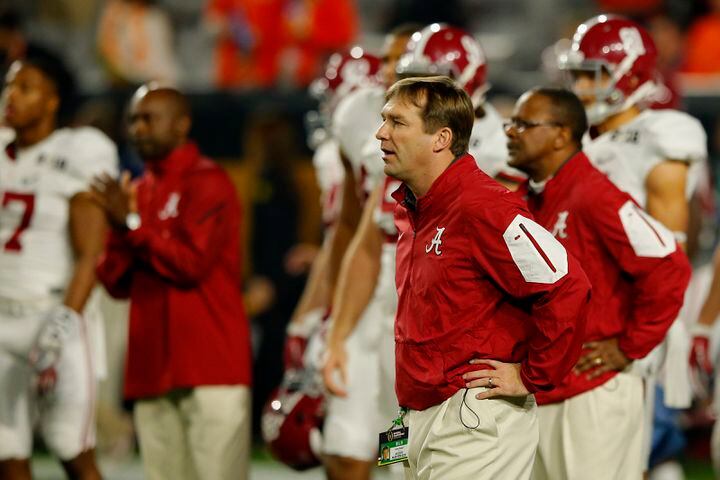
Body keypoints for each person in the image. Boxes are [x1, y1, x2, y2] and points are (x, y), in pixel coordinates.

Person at [320, 23, 522, 480]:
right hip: (392, 307)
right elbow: (366, 240)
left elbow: (540, 277)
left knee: (422, 448)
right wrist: (336, 332)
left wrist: (525, 365)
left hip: (452, 319)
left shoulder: (497, 155)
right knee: (370, 445)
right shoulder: (393, 149)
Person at [471, 87, 690, 479]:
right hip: (548, 386)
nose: (510, 132)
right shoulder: (532, 196)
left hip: (592, 390)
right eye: (511, 122)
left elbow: (670, 264)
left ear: (561, 134)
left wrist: (629, 346)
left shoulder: (593, 193)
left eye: (525, 123)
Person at [379, 76, 591, 479]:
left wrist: (532, 375)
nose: (381, 133)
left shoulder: (483, 205)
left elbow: (567, 284)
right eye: (384, 120)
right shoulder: (415, 207)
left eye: (397, 122)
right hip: (416, 413)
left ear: (441, 138)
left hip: (472, 414)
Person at [559, 14, 708, 473]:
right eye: (578, 73)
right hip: (578, 313)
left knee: (630, 451)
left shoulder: (660, 138)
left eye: (593, 74)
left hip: (629, 318)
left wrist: (637, 338)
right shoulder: (579, 137)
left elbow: (670, 255)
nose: (582, 85)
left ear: (631, 75)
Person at [93, 84, 252, 480]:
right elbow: (113, 281)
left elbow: (191, 264)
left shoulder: (209, 181)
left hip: (211, 367)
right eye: (133, 119)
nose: (138, 128)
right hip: (151, 368)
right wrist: (118, 231)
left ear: (182, 124)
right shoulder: (138, 190)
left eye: (149, 118)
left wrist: (131, 227)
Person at [0, 52, 117, 479]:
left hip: (52, 314)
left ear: (52, 102)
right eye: (10, 85)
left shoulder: (79, 150)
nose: (11, 96)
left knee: (71, 448)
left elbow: (92, 250)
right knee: (6, 450)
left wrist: (65, 319)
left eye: (26, 88)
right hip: (1, 314)